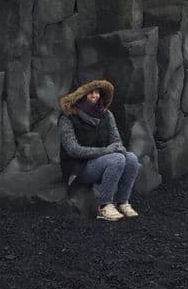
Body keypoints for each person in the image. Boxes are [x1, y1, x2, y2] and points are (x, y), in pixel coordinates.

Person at [58, 79, 142, 222]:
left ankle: (122, 202)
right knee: (117, 159)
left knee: (132, 158)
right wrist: (105, 151)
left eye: (97, 92)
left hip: (102, 160)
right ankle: (104, 207)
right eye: (91, 92)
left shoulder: (106, 114)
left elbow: (116, 140)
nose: (95, 95)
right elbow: (73, 150)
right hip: (78, 167)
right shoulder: (68, 116)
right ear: (81, 95)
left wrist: (118, 148)